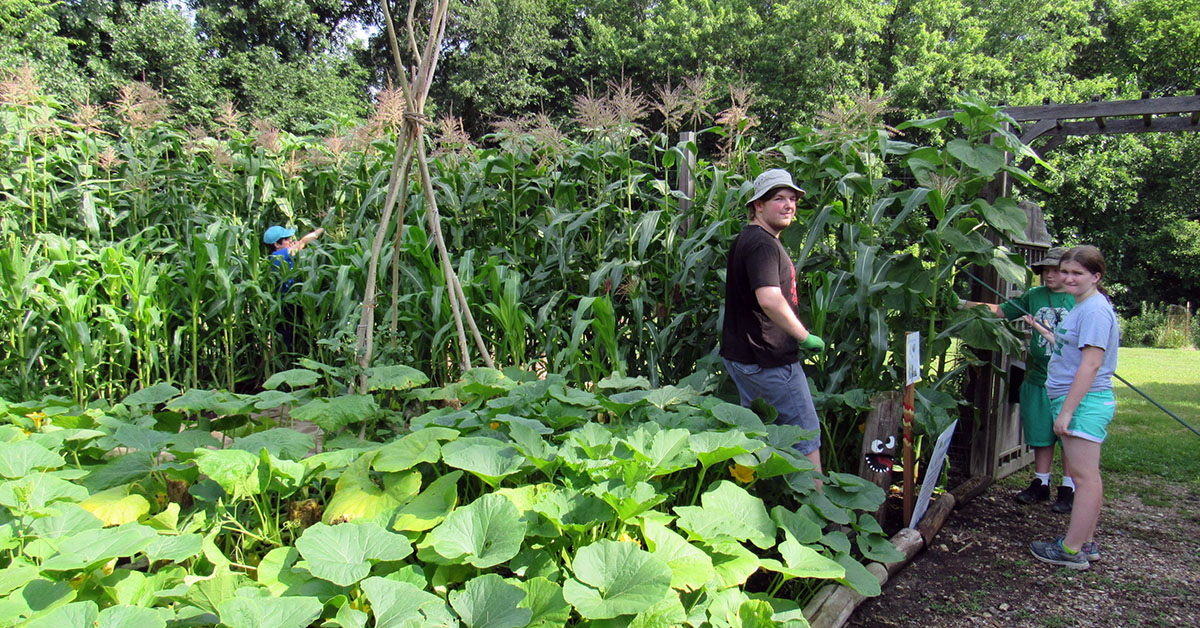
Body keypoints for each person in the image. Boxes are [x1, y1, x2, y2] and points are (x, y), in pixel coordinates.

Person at [720, 169, 826, 478]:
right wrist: (804, 337)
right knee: (805, 435)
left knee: (761, 435)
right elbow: (769, 299)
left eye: (792, 199)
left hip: (745, 357)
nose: (789, 205)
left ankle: (767, 498)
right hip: (768, 361)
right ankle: (816, 513)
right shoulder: (763, 244)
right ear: (757, 206)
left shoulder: (749, 239)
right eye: (778, 198)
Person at [964, 247, 1077, 512]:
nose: (1048, 275)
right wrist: (961, 303)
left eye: (1054, 270)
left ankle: (1069, 487)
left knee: (1069, 436)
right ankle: (1041, 482)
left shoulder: (1079, 299)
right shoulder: (1035, 296)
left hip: (1069, 381)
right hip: (1038, 376)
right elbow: (1000, 311)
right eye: (1044, 271)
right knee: (1040, 432)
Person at [1028, 245, 1119, 570]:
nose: (1068, 278)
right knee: (1087, 476)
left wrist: (1067, 411)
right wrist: (1039, 329)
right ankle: (1086, 542)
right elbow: (1069, 348)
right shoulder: (1084, 306)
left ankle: (1071, 549)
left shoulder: (1094, 310)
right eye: (1065, 271)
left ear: (1096, 276)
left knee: (1085, 478)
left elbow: (1091, 364)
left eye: (1077, 273)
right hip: (1079, 399)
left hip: (1084, 402)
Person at [262, 224, 324, 347]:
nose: (290, 240)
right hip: (287, 304)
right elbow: (303, 242)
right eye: (286, 239)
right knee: (288, 339)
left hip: (292, 302)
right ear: (276, 244)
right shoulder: (278, 257)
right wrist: (321, 229)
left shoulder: (281, 255)